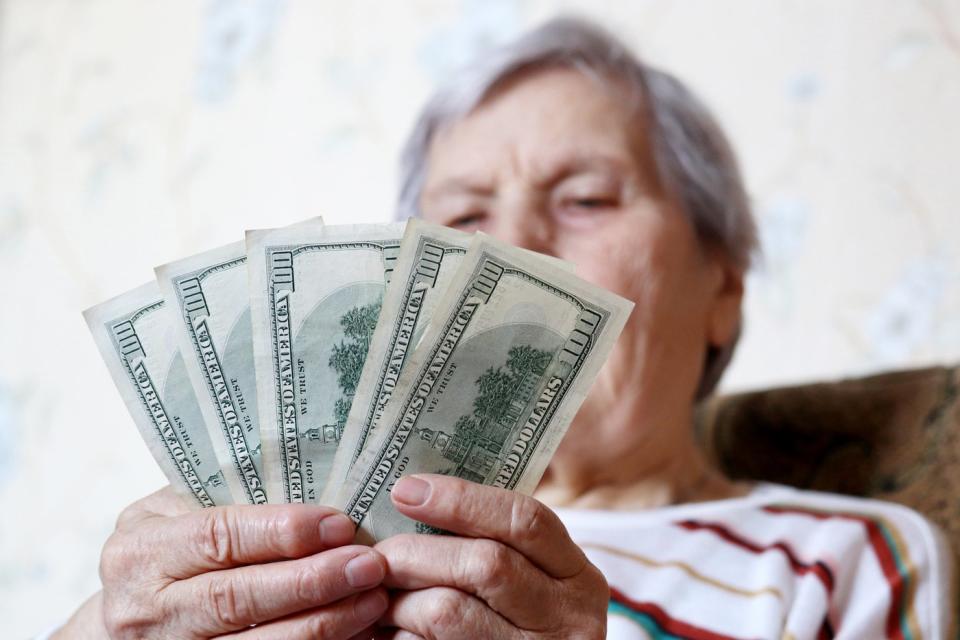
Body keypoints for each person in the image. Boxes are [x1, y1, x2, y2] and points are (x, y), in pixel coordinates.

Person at [52, 16, 953, 639]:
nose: (512, 248)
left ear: (723, 285)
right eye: (465, 219)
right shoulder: (291, 531)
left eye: (587, 198)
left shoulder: (841, 559)